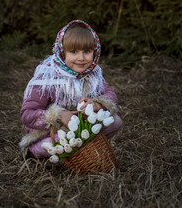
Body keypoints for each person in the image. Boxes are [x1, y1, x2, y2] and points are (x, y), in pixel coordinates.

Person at [19, 20, 122, 158]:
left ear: (95, 51)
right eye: (73, 51)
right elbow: (27, 114)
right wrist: (60, 115)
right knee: (60, 141)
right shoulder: (47, 77)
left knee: (115, 121)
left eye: (87, 51)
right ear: (62, 52)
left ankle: (82, 150)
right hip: (54, 131)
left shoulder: (93, 74)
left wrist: (97, 104)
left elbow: (110, 94)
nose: (81, 58)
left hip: (83, 127)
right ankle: (34, 151)